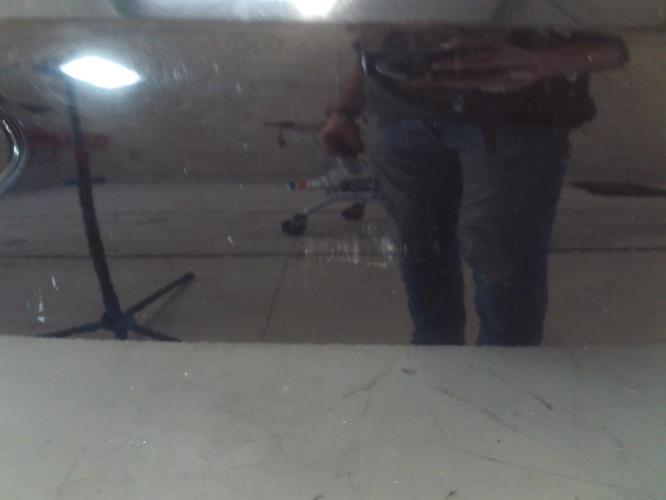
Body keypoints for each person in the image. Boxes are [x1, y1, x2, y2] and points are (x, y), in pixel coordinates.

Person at [319, 26, 628, 346]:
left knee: (502, 262)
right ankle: (440, 365)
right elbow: (373, 40)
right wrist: (344, 110)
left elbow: (613, 46)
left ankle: (502, 371)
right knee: (420, 252)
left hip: (513, 119)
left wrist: (543, 62)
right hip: (401, 116)